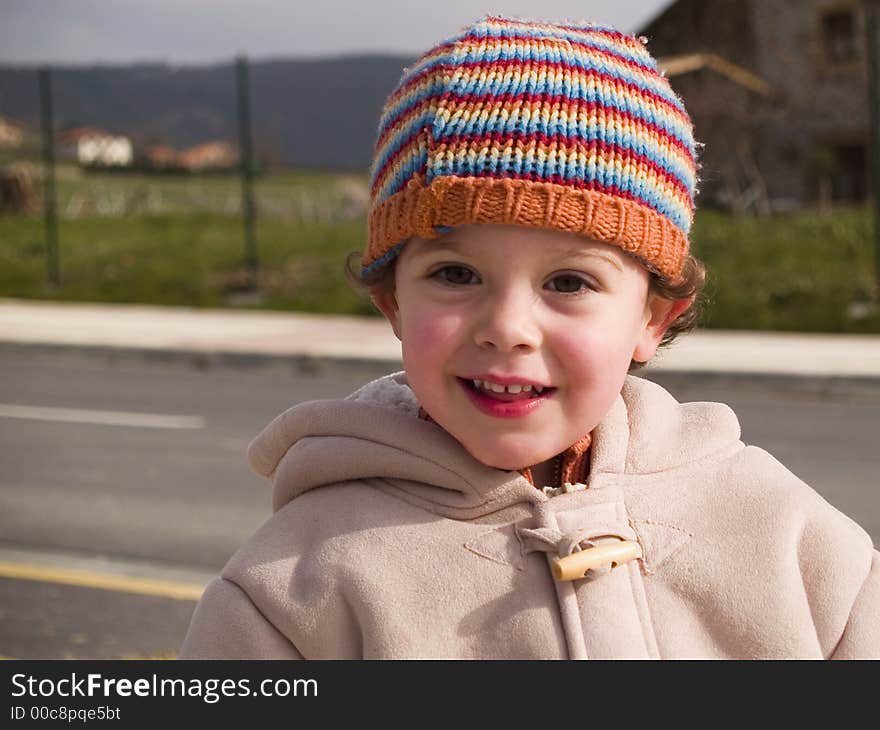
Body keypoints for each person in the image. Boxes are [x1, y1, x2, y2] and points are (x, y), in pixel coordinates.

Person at [179, 15, 879, 659]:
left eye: (569, 283)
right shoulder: (290, 589)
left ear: (653, 319)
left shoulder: (788, 537)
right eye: (456, 274)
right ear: (392, 302)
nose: (508, 329)